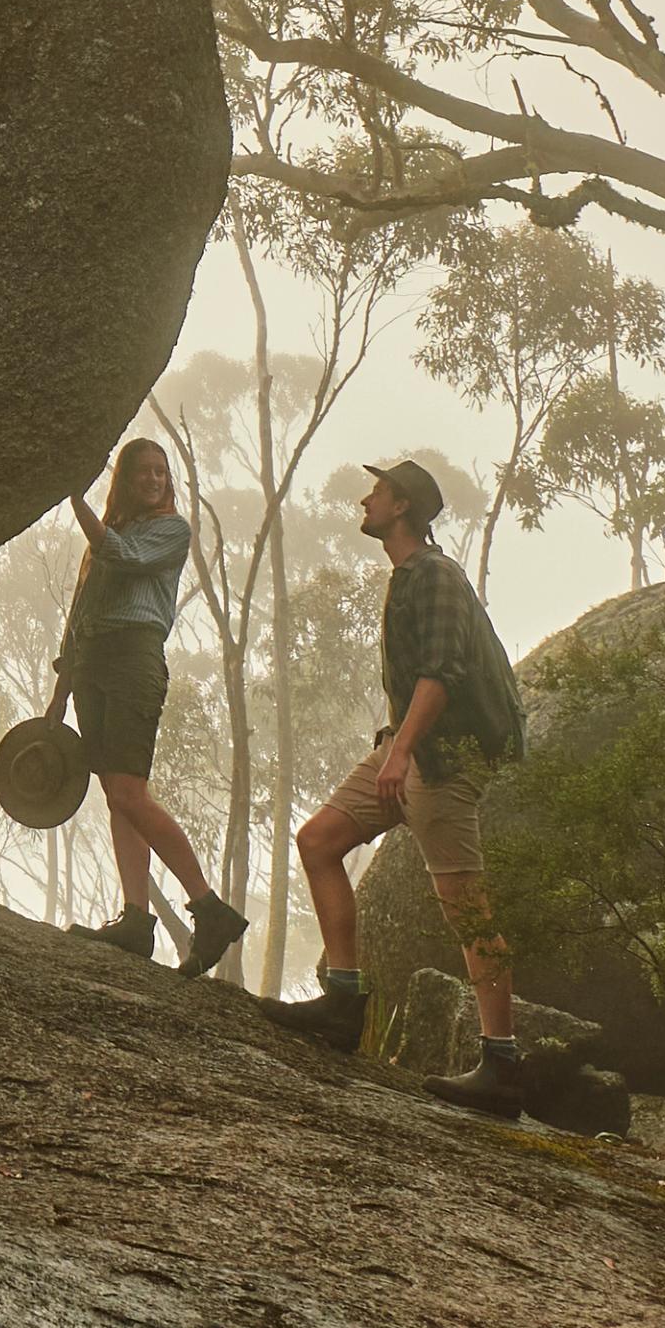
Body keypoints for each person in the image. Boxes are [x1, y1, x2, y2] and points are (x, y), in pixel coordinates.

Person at [265, 457, 532, 1118]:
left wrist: (403, 751)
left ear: (403, 506)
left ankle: (503, 1064)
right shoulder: (408, 576)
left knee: (465, 906)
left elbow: (441, 673)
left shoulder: (437, 576)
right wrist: (394, 749)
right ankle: (343, 1001)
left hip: (441, 761)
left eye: (378, 492)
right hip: (405, 752)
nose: (366, 499)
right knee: (320, 839)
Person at [45, 438, 248, 977]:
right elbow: (79, 614)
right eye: (144, 472)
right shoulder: (106, 539)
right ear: (127, 480)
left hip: (135, 658)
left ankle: (209, 908)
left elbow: (125, 556)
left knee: (131, 791)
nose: (155, 480)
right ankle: (135, 920)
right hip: (91, 662)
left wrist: (75, 501)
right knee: (117, 795)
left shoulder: (170, 531)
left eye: (162, 472)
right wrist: (59, 695)